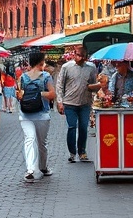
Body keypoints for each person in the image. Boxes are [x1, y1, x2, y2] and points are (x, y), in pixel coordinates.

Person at [17, 50, 56, 183]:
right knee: (41, 143)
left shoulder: (22, 77)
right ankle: (42, 168)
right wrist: (39, 94)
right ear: (41, 62)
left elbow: (19, 96)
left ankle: (31, 170)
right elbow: (52, 95)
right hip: (42, 114)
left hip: (25, 114)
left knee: (29, 140)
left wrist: (28, 95)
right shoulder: (46, 76)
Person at [55, 46, 100, 163]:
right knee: (72, 127)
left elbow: (92, 84)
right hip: (69, 103)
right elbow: (60, 85)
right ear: (74, 54)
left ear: (85, 57)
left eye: (81, 56)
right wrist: (59, 102)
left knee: (83, 127)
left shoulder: (91, 68)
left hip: (85, 102)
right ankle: (72, 152)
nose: (78, 58)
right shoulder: (66, 67)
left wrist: (98, 90)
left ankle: (82, 151)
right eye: (77, 55)